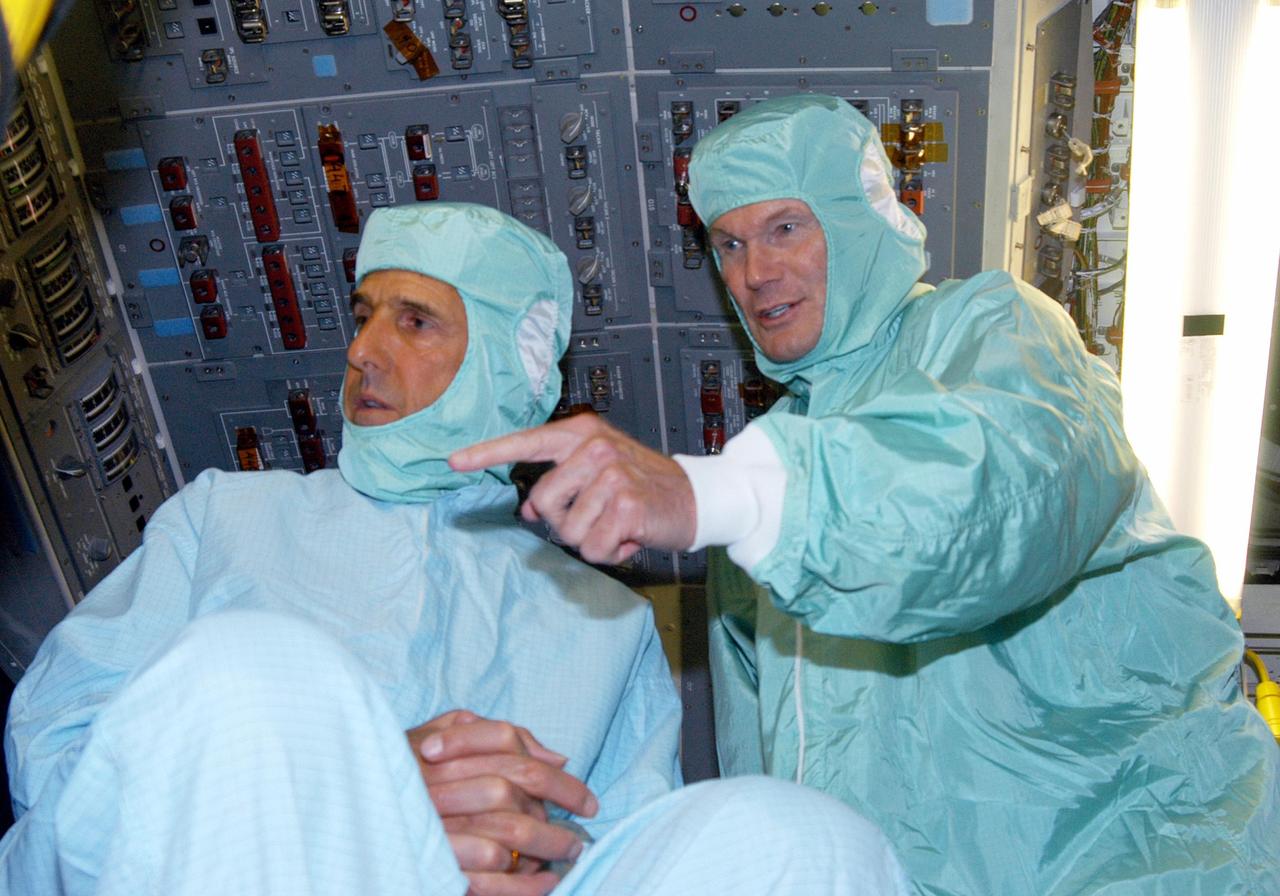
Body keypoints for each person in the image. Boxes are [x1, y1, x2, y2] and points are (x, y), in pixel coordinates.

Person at [450, 96, 1280, 893]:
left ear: (859, 220)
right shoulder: (760, 492)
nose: (755, 273)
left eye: (786, 228)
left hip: (1132, 859)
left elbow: (995, 494)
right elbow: (771, 777)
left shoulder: (989, 331)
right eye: (728, 244)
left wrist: (711, 495)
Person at [0, 202, 911, 896]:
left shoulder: (607, 624)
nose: (362, 351)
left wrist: (524, 857)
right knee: (251, 671)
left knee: (796, 837)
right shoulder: (225, 518)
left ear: (506, 364)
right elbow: (61, 762)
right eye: (363, 314)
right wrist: (363, 790)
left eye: (415, 321)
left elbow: (620, 846)